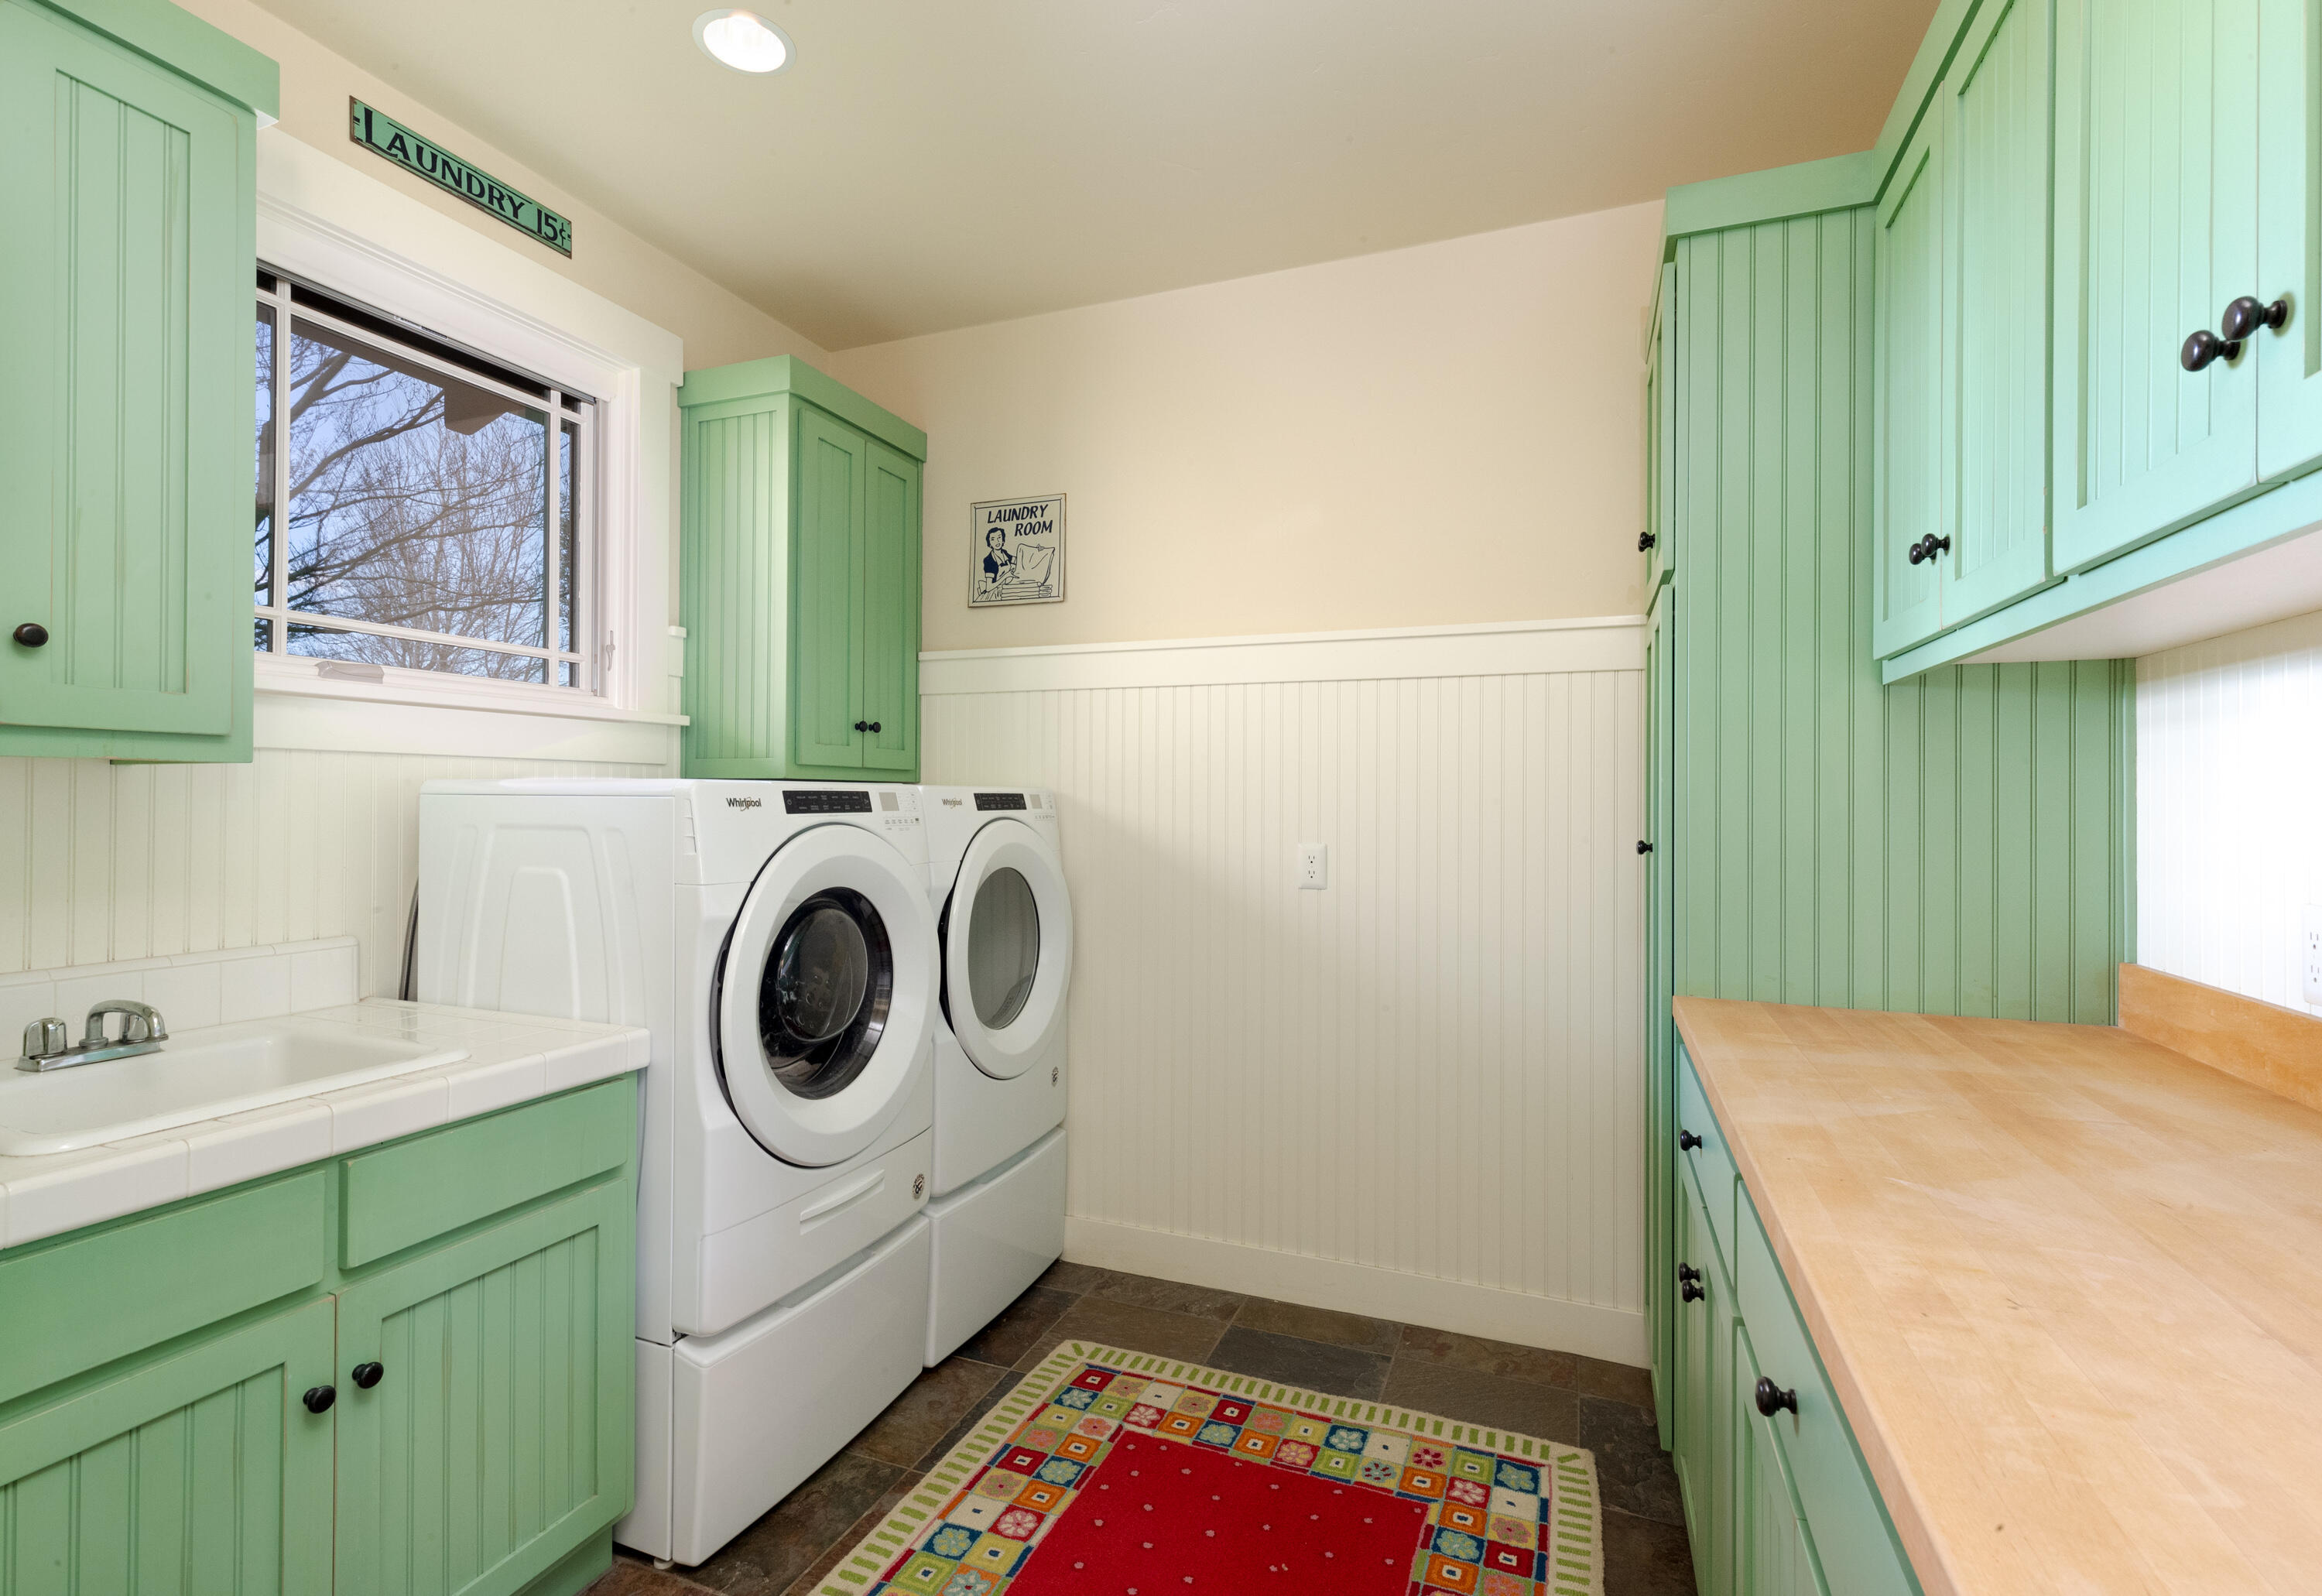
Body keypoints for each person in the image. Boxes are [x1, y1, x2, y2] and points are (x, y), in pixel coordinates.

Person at [981, 526, 1015, 590]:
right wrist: (1006, 576)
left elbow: (1017, 560)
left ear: (1003, 540)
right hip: (995, 592)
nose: (997, 541)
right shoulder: (989, 560)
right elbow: (988, 588)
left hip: (1006, 588)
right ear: (989, 543)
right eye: (993, 539)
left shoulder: (1005, 553)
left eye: (999, 537)